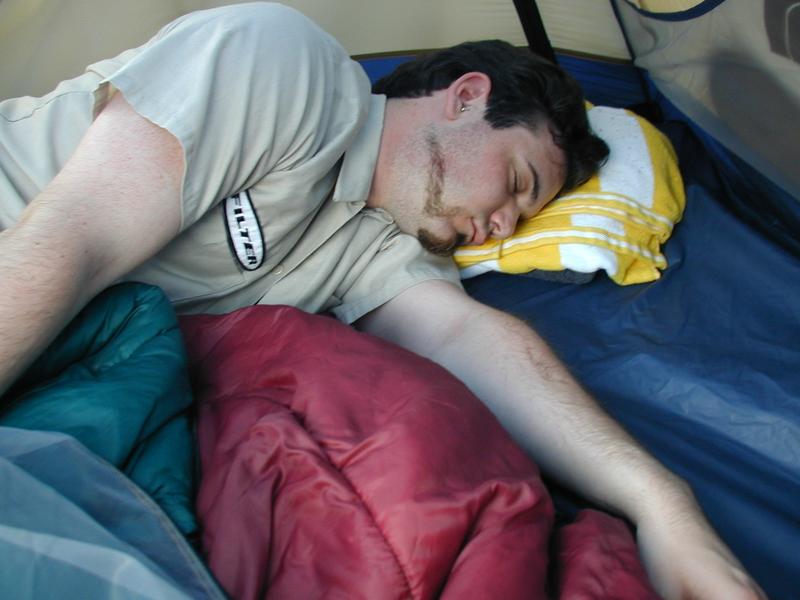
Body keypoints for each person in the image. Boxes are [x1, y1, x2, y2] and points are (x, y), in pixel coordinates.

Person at [0, 4, 764, 599]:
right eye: (517, 183)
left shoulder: (379, 250)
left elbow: (476, 343)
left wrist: (663, 504)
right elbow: (77, 234)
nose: (502, 226)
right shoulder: (288, 66)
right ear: (466, 98)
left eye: (522, 220)